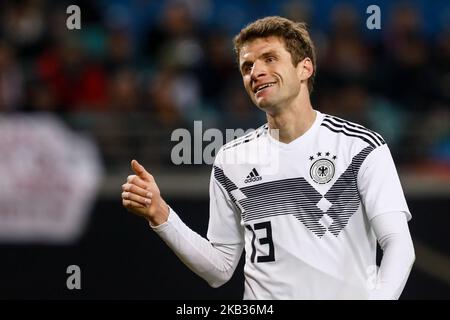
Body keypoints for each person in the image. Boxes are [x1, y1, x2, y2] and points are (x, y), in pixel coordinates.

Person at [121, 16, 415, 299]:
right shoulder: (231, 160)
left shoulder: (359, 148)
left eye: (269, 59)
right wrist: (161, 214)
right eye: (247, 66)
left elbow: (399, 245)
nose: (255, 71)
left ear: (305, 68)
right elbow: (220, 268)